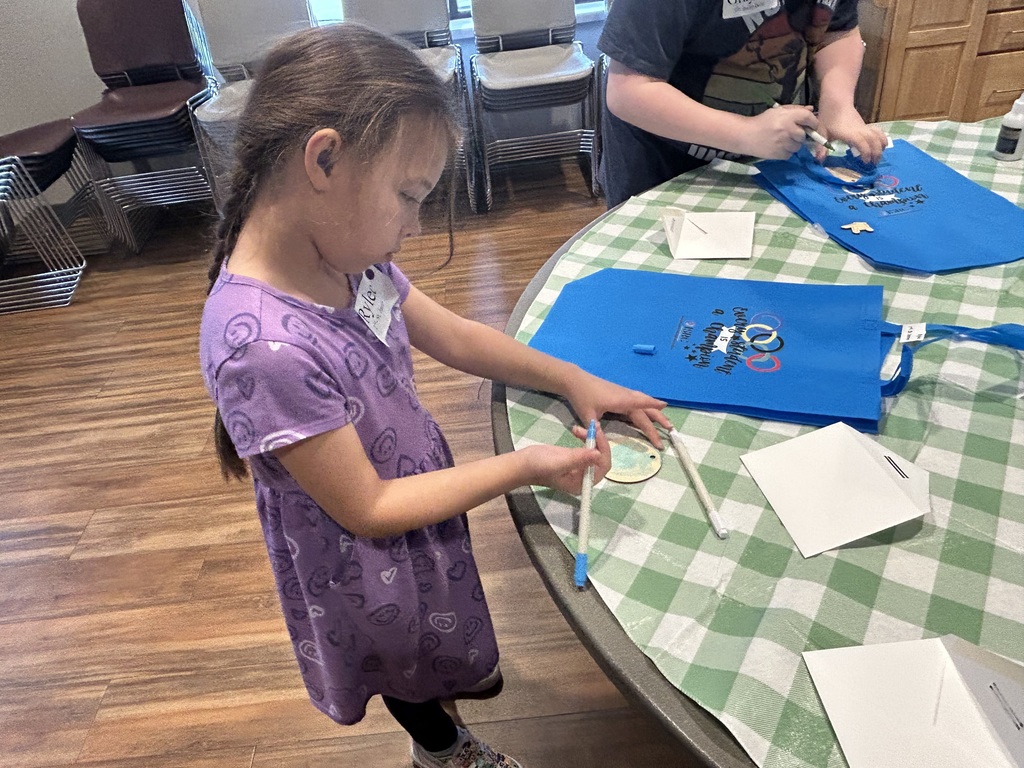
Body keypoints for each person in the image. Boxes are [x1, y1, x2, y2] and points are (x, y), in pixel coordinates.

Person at [198, 23, 671, 768]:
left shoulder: (344, 256)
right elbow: (370, 509)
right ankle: (444, 751)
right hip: (361, 554)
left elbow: (448, 332)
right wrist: (524, 466)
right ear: (323, 158)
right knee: (398, 662)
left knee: (428, 635)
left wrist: (571, 378)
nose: (415, 226)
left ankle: (444, 700)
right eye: (408, 196)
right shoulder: (262, 348)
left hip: (416, 509)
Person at [598, 0, 890, 207]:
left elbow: (838, 32)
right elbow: (628, 91)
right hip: (663, 172)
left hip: (770, 164)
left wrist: (838, 105)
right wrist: (745, 133)